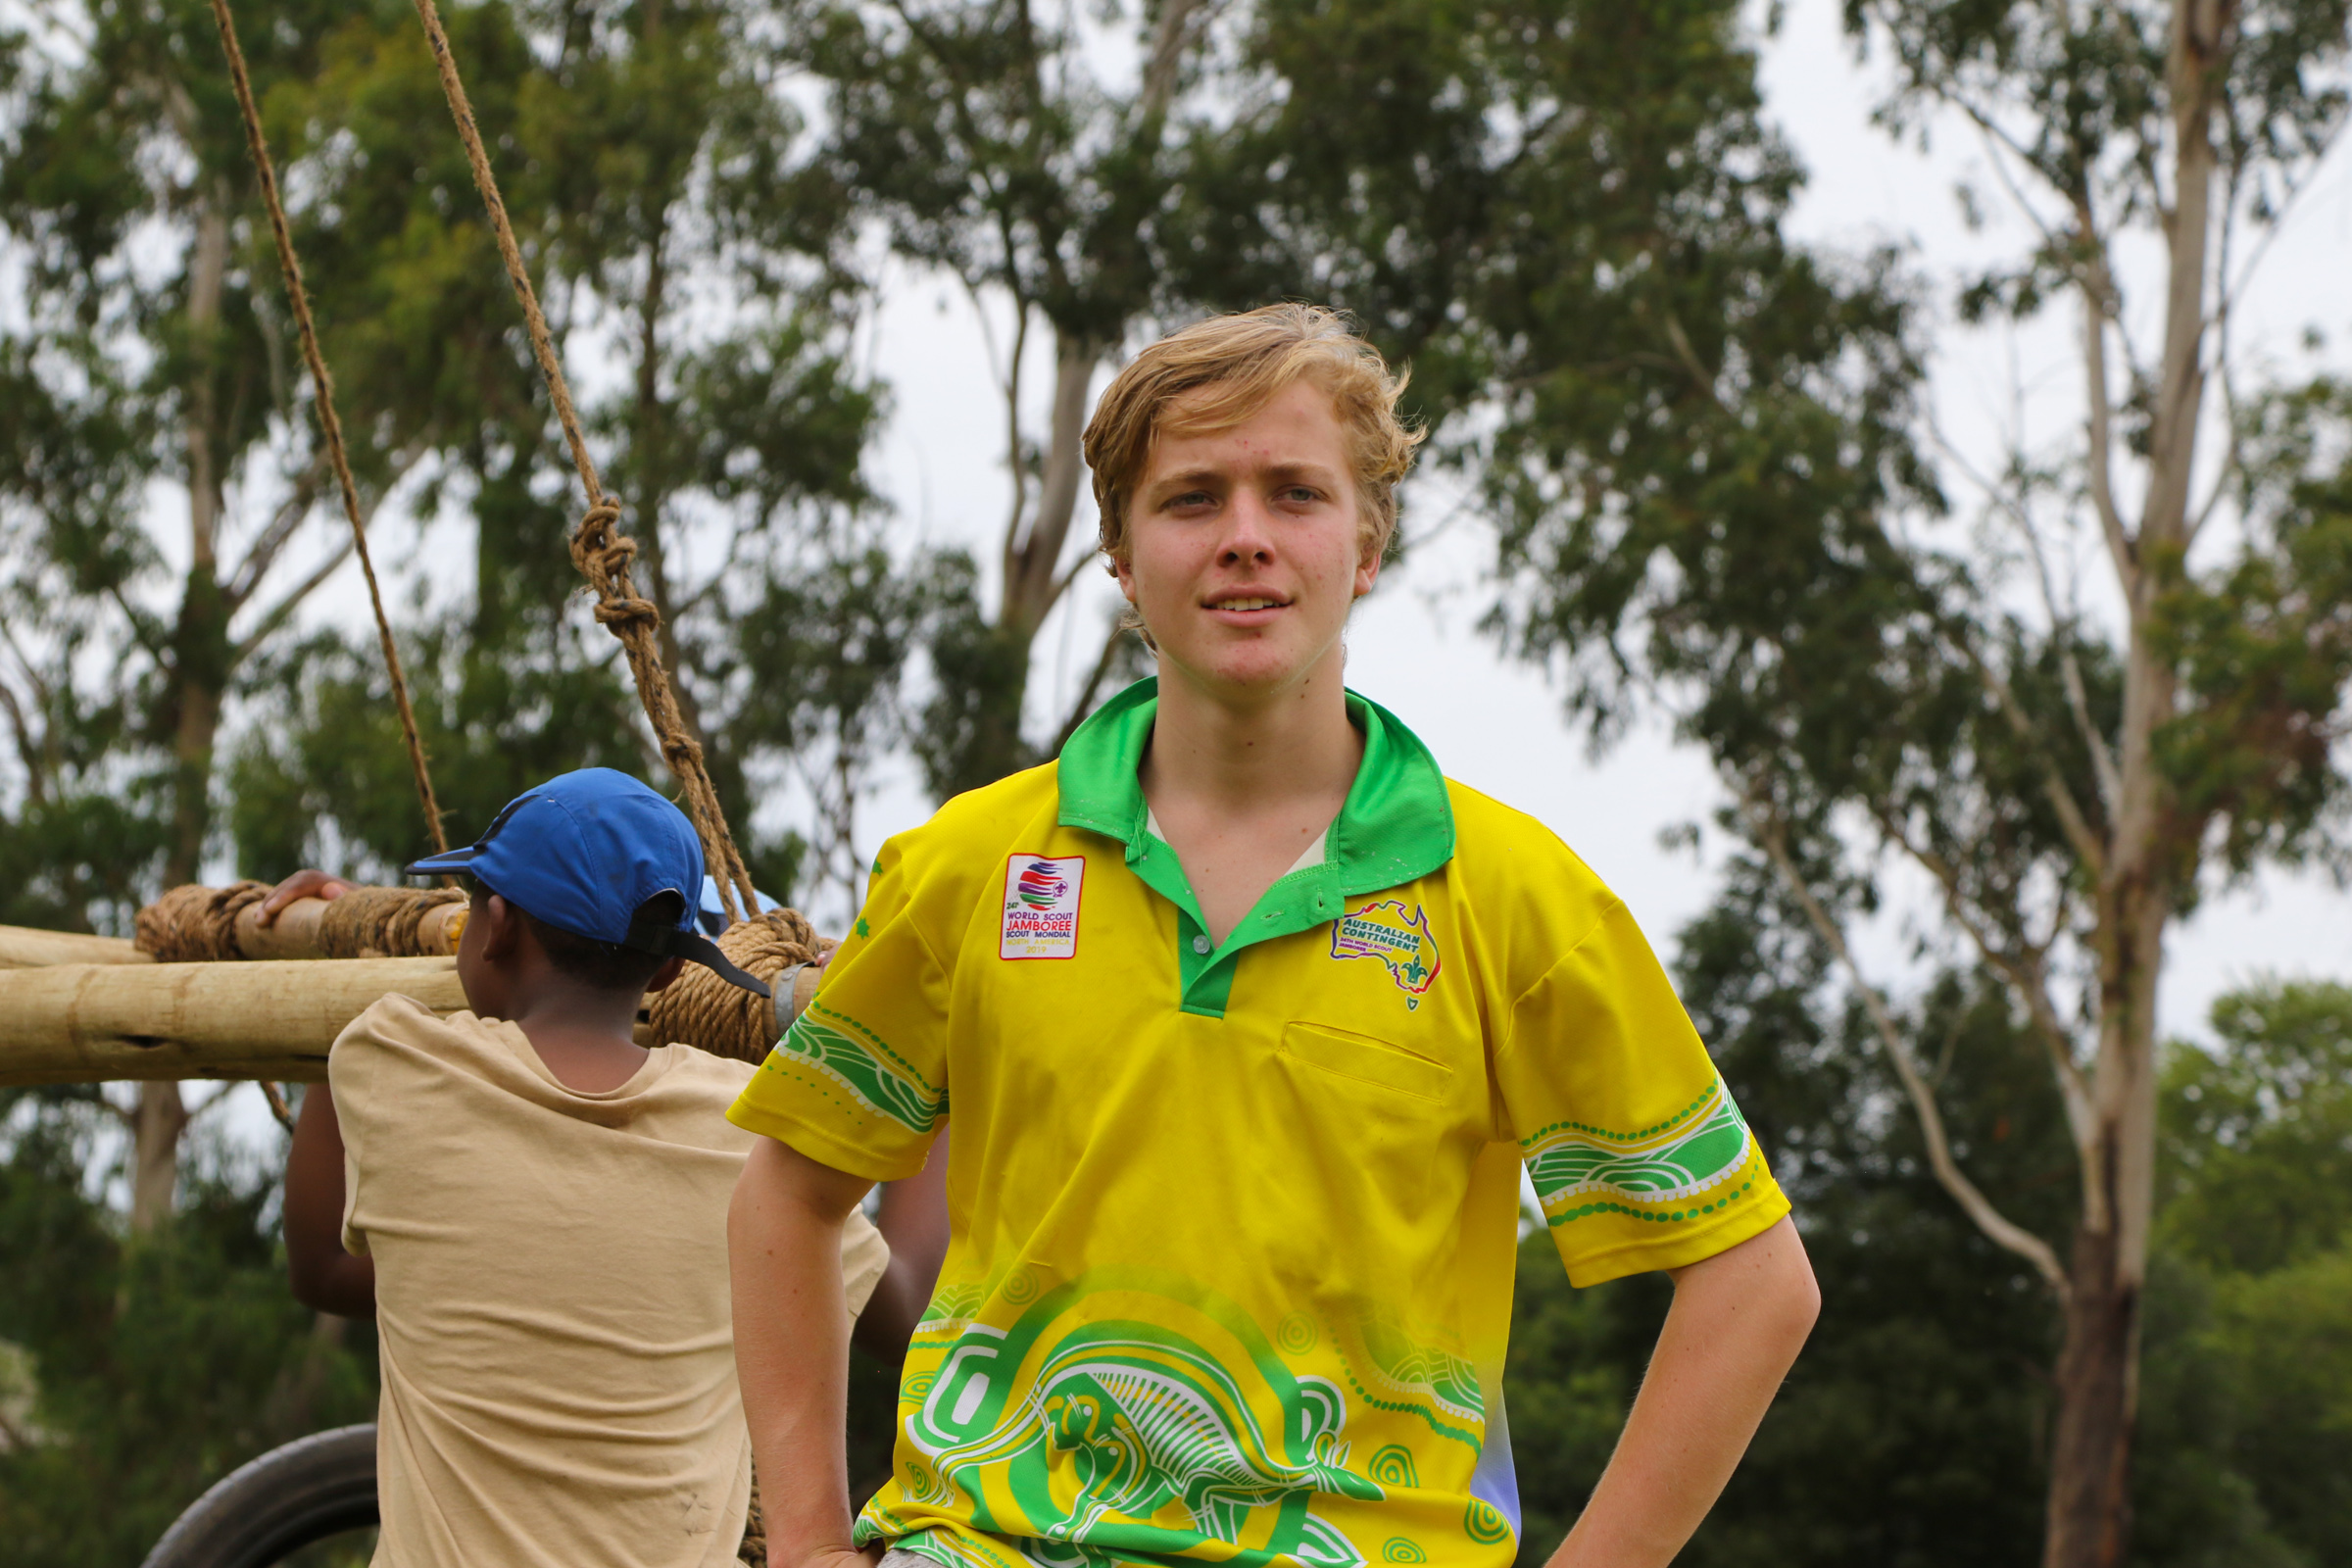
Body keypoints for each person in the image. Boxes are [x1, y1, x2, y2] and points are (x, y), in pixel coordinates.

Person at [725, 304, 1820, 1568]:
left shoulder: (1521, 902)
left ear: (1368, 543)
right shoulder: (967, 868)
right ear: (1121, 557)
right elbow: (787, 1194)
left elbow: (1754, 1282)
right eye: (1192, 498)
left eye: (1295, 493)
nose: (1245, 536)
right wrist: (805, 1543)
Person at [276, 768, 946, 1567]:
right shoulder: (746, 1130)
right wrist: (930, 1048)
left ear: (494, 927)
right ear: (669, 971)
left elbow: (323, 1271)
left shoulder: (391, 1061)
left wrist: (352, 923)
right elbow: (908, 1309)